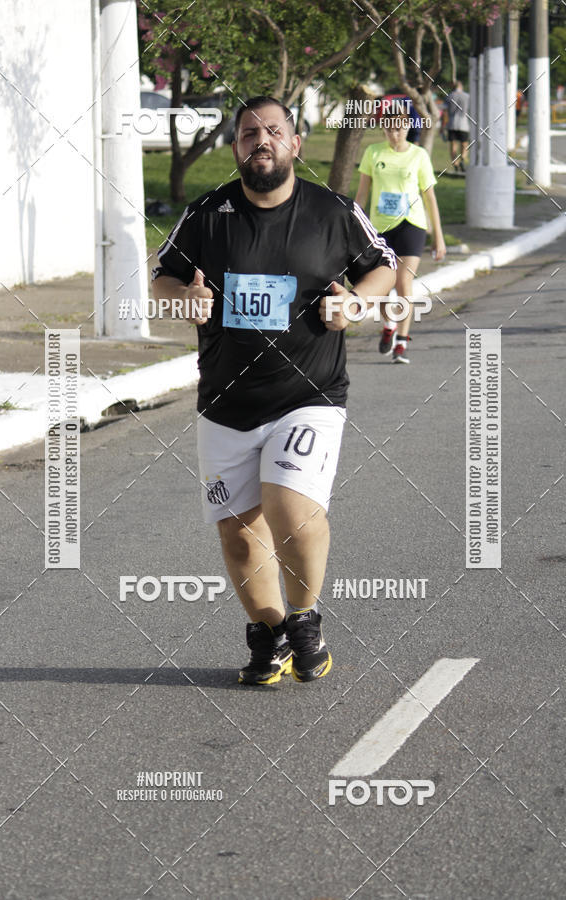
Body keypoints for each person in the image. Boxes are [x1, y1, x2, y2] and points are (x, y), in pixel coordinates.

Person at [152, 96, 396, 685]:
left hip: (308, 393)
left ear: (295, 144)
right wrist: (181, 298)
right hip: (226, 403)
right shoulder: (208, 214)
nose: (261, 141)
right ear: (236, 149)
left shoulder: (333, 212)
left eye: (273, 132)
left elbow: (383, 264)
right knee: (239, 535)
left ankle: (306, 618)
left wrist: (356, 301)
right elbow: (162, 277)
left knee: (289, 507)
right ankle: (268, 633)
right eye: (248, 134)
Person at [355, 106, 446, 364]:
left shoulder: (419, 156)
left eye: (399, 129)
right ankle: (388, 327)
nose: (394, 134)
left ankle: (403, 341)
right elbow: (362, 194)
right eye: (389, 129)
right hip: (380, 227)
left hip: (411, 224)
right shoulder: (373, 153)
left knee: (403, 283)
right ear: (383, 129)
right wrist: (353, 226)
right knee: (383, 285)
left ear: (407, 128)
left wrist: (438, 236)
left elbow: (430, 199)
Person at [441, 81, 470, 173]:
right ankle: (462, 159)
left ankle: (456, 164)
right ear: (461, 86)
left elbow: (444, 112)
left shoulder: (449, 96)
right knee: (464, 144)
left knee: (453, 145)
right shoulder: (467, 96)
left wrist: (443, 125)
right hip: (464, 123)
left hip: (452, 123)